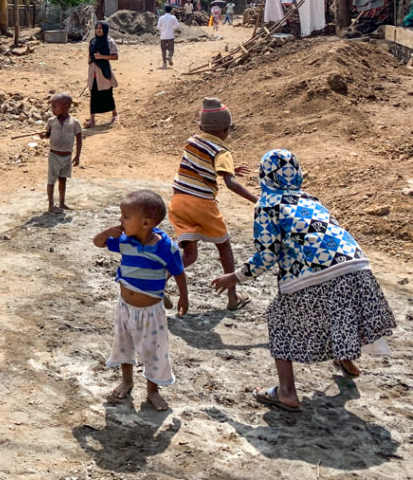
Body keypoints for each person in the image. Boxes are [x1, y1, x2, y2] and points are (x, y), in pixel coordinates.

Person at [213, 150, 396, 412]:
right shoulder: (310, 199)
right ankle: (347, 362)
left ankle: (286, 392)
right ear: (296, 174)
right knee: (338, 311)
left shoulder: (267, 204)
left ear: (265, 175)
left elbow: (267, 254)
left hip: (316, 270)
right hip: (356, 263)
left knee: (279, 318)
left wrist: (234, 277)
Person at [93, 190, 188, 412]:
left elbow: (179, 271)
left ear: (146, 223)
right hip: (125, 307)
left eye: (125, 217)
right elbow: (98, 242)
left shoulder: (166, 247)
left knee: (153, 351)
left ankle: (152, 391)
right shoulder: (124, 241)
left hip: (151, 312)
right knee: (124, 345)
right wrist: (108, 232)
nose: (120, 221)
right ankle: (127, 380)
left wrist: (184, 295)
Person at [168, 97, 256, 310]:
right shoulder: (222, 151)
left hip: (178, 202)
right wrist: (257, 200)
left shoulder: (191, 141)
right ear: (227, 129)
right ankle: (233, 297)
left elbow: (200, 164)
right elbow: (230, 183)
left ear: (200, 127)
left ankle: (157, 280)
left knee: (190, 254)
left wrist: (229, 169)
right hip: (202, 204)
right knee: (224, 245)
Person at [39, 92, 82, 214]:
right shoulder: (51, 121)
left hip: (67, 157)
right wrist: (42, 136)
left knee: (63, 180)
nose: (52, 109)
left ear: (65, 106)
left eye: (54, 107)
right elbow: (47, 135)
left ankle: (62, 203)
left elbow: (79, 140)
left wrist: (77, 156)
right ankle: (51, 205)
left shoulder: (74, 122)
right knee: (51, 180)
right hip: (54, 156)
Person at [84, 21, 118, 128]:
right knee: (94, 95)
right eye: (97, 28)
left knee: (107, 93)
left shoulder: (109, 42)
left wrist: (102, 57)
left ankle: (115, 114)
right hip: (93, 71)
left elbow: (115, 56)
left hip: (104, 71)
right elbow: (90, 55)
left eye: (101, 28)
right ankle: (92, 119)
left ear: (105, 29)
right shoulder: (93, 41)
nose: (99, 30)